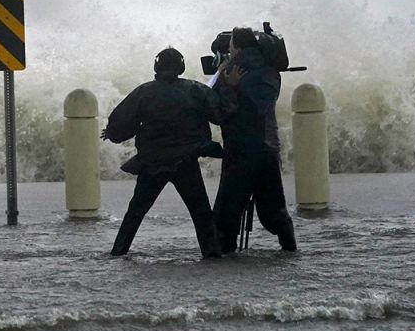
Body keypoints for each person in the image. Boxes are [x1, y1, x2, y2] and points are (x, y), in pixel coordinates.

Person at [102, 47, 224, 259]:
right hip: (185, 161)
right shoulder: (196, 89)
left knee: (135, 213)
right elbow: (220, 114)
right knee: (201, 213)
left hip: (153, 162)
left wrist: (111, 133)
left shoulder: (144, 91)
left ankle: (118, 252)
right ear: (181, 66)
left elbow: (121, 124)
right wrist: (228, 86)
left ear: (157, 66)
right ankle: (212, 255)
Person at [212, 26, 297, 252]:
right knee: (274, 211)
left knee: (226, 213)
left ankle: (226, 254)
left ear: (237, 47)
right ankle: (290, 248)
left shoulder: (231, 71)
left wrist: (228, 86)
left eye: (231, 46)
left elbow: (220, 113)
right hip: (268, 149)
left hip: (240, 150)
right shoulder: (271, 71)